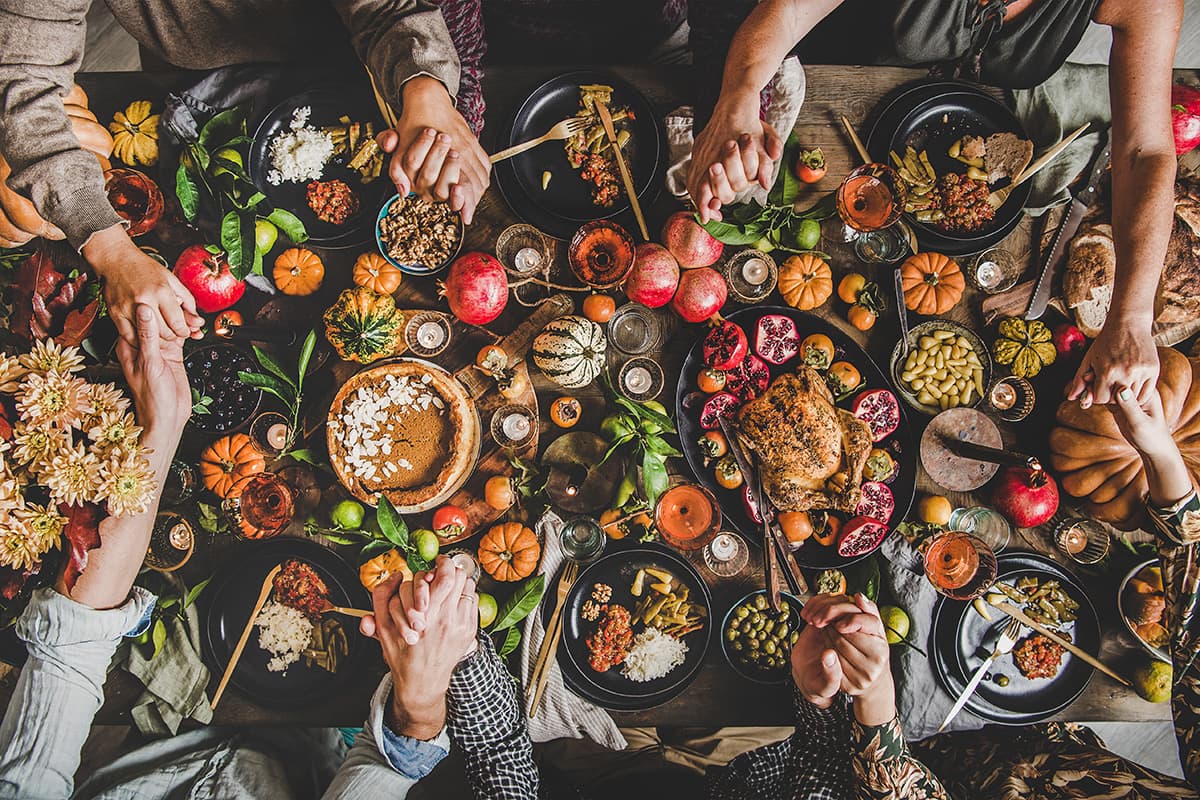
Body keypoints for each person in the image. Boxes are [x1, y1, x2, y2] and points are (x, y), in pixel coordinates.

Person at [0, 305, 534, 799]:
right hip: (322, 759)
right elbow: (475, 758)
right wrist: (421, 703)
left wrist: (163, 424)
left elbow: (68, 654)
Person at [688, 0, 1182, 412]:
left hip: (968, 149)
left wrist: (1133, 317)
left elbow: (1146, 153)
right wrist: (739, 97)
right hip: (838, 110)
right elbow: (790, 12)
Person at [0, 0, 490, 347]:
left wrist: (426, 92)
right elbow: (23, 82)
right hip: (193, 61)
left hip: (353, 47)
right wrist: (106, 246)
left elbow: (389, 10)